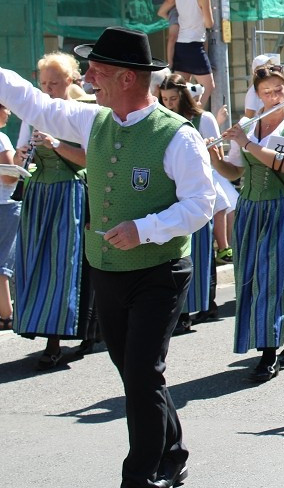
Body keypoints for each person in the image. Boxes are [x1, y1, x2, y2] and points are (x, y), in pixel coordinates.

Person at [0, 26, 215, 488]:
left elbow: (201, 203)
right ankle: (172, 450)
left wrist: (145, 229)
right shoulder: (91, 120)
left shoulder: (176, 135)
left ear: (127, 79)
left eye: (98, 70)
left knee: (141, 372)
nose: (90, 77)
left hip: (160, 271)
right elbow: (37, 105)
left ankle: (139, 475)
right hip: (107, 270)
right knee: (136, 373)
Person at [209, 64, 284, 381]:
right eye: (266, 91)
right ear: (257, 93)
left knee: (276, 277)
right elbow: (234, 172)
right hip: (250, 209)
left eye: (278, 90)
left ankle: (269, 354)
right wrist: (214, 155)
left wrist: (248, 143)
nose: (273, 96)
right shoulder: (248, 125)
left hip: (280, 208)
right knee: (252, 278)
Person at [11, 52, 96, 368]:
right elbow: (23, 162)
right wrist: (23, 156)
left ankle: (55, 341)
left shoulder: (80, 111)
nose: (47, 89)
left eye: (54, 83)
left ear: (70, 82)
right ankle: (40, 327)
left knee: (62, 264)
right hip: (38, 194)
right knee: (35, 261)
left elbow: (91, 160)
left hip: (67, 194)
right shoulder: (31, 112)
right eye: (43, 83)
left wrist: (56, 144)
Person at [159, 75, 234, 328]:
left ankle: (206, 302)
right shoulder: (163, 121)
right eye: (165, 99)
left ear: (183, 95)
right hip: (172, 191)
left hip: (200, 189)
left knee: (202, 251)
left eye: (173, 98)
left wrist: (204, 147)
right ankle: (182, 311)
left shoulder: (203, 118)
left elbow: (219, 156)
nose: (168, 104)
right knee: (181, 252)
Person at [156, 0, 215, 103]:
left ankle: (181, 117)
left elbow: (163, 10)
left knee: (181, 90)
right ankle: (197, 118)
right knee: (208, 86)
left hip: (180, 47)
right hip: (195, 46)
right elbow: (209, 23)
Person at [0, 104, 17, 333]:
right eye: (5, 107)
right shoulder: (2, 138)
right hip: (3, 205)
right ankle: (7, 315)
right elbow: (10, 176)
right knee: (3, 264)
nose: (9, 112)